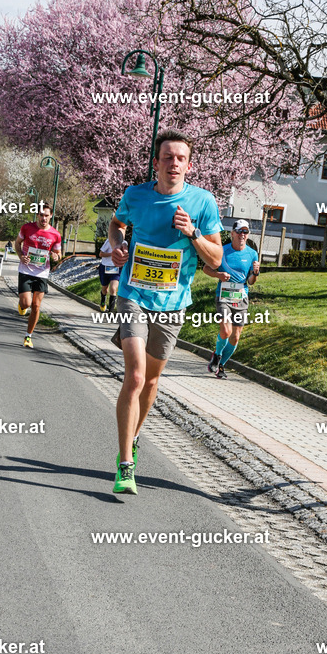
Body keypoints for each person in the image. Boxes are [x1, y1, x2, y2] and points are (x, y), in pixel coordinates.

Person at [108, 128, 223, 495]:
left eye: (181, 158)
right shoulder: (135, 195)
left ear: (189, 165)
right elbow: (116, 224)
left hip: (173, 305)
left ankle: (136, 436)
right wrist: (118, 245)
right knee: (137, 376)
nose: (174, 163)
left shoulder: (203, 203)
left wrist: (193, 233)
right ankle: (125, 465)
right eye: (167, 157)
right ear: (155, 163)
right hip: (132, 295)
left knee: (153, 382)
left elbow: (217, 257)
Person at [203, 219, 260, 379]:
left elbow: (250, 281)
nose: (243, 234)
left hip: (241, 297)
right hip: (223, 297)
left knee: (235, 336)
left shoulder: (252, 253)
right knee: (226, 330)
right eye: (240, 231)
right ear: (232, 233)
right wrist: (218, 275)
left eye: (245, 232)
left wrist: (255, 274)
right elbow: (206, 268)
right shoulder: (222, 250)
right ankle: (217, 354)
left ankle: (220, 364)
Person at [15, 203, 62, 348]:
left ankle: (28, 336)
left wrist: (56, 256)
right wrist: (21, 256)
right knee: (26, 304)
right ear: (37, 215)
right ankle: (22, 305)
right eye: (41, 215)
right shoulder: (27, 228)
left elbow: (58, 253)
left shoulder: (55, 234)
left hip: (42, 272)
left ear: (51, 216)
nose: (44, 218)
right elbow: (17, 243)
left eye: (46, 215)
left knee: (36, 305)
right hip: (26, 270)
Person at [98, 238, 120, 313]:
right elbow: (101, 254)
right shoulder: (109, 241)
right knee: (104, 289)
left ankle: (110, 311)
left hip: (116, 268)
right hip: (105, 267)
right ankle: (103, 299)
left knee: (113, 289)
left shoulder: (124, 243)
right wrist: (112, 254)